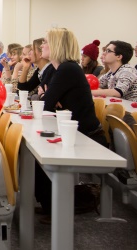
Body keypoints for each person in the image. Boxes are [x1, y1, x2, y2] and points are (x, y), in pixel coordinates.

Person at [36, 28, 107, 222]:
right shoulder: (57, 68)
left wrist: (47, 96)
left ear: (57, 45)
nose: (41, 45)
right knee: (35, 154)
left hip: (88, 136)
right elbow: (44, 97)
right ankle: (50, 204)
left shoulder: (68, 69)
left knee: (39, 156)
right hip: (70, 130)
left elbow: (45, 101)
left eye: (45, 42)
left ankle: (58, 207)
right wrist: (47, 97)